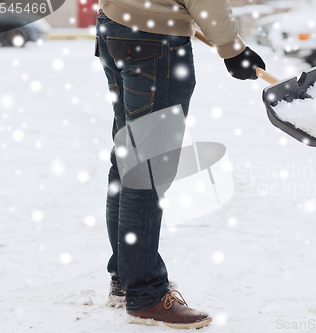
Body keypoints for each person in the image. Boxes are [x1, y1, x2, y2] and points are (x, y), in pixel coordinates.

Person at [94, 0, 266, 329]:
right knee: (147, 168)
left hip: (115, 28)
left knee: (129, 159)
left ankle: (125, 276)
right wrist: (232, 47)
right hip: (151, 41)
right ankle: (145, 293)